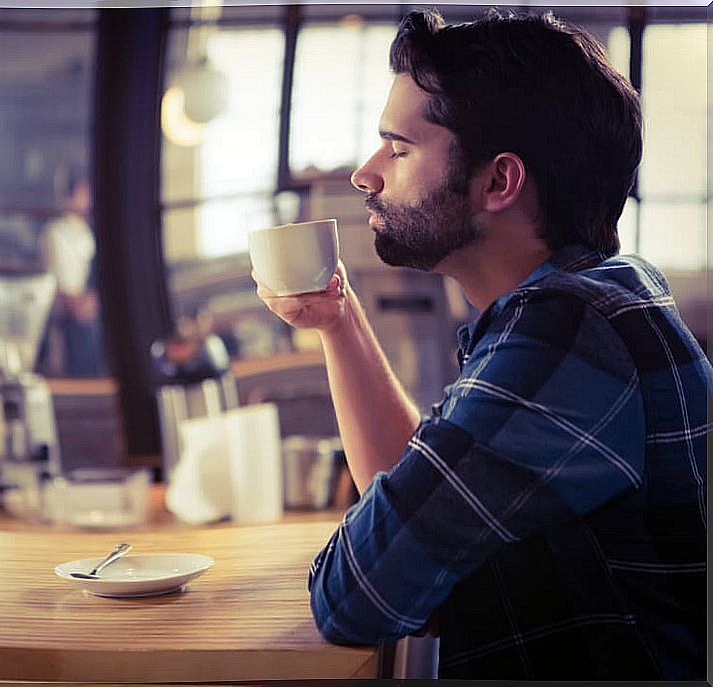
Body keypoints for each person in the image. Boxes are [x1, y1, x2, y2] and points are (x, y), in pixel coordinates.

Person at [254, 9, 709, 680]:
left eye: (399, 148)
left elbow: (355, 594)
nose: (365, 173)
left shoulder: (567, 338)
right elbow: (416, 499)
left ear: (499, 182)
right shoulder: (594, 300)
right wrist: (338, 319)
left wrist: (389, 549)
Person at [42, 172, 107, 376]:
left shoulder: (92, 233)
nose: (89, 198)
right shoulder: (57, 233)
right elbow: (74, 305)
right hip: (72, 328)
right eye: (83, 192)